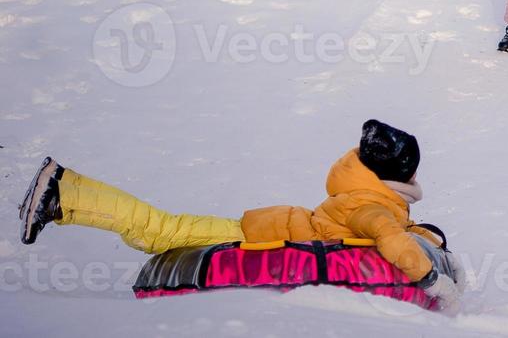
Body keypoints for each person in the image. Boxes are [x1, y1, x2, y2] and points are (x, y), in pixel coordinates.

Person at [17, 120, 460, 310]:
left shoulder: (362, 191)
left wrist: (431, 238)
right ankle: (63, 191)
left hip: (262, 228)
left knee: (159, 233)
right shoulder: (371, 206)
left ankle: (66, 196)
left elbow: (400, 230)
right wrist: (433, 281)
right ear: (399, 174)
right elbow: (391, 238)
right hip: (254, 237)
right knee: (158, 232)